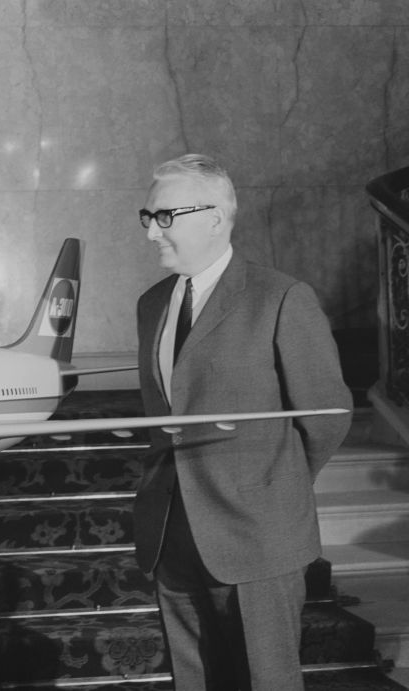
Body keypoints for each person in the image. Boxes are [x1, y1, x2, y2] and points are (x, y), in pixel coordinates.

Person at [132, 153, 352, 690]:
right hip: (172, 531)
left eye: (165, 217)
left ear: (213, 217)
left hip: (258, 534)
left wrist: (271, 485)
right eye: (148, 217)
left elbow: (326, 417)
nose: (152, 233)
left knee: (265, 681)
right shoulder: (151, 304)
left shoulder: (280, 297)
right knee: (196, 681)